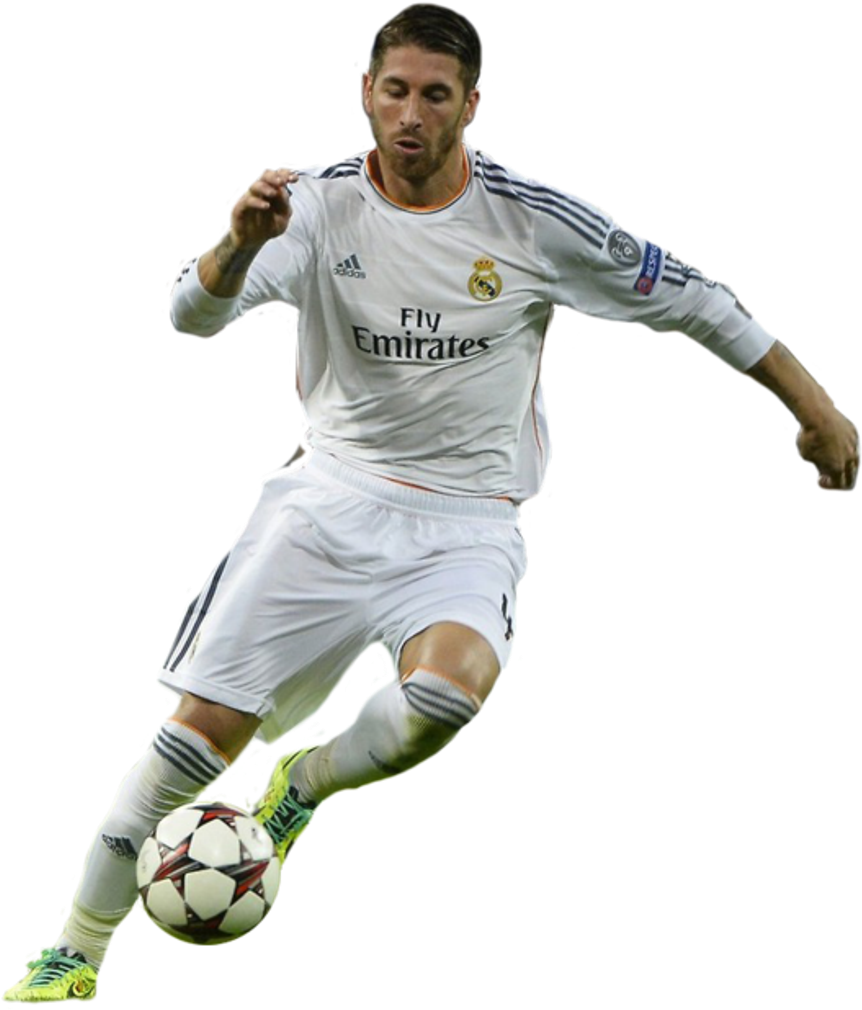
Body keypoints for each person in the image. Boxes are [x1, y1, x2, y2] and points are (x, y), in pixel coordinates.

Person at [7, 2, 861, 1004]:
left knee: (445, 699)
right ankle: (79, 948)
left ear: (471, 105)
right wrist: (238, 243)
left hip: (468, 518)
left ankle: (303, 786)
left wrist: (817, 410)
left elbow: (697, 300)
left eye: (436, 95)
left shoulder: (534, 218)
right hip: (328, 505)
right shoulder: (310, 203)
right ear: (367, 93)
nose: (411, 114)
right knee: (194, 742)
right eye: (395, 91)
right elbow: (190, 317)